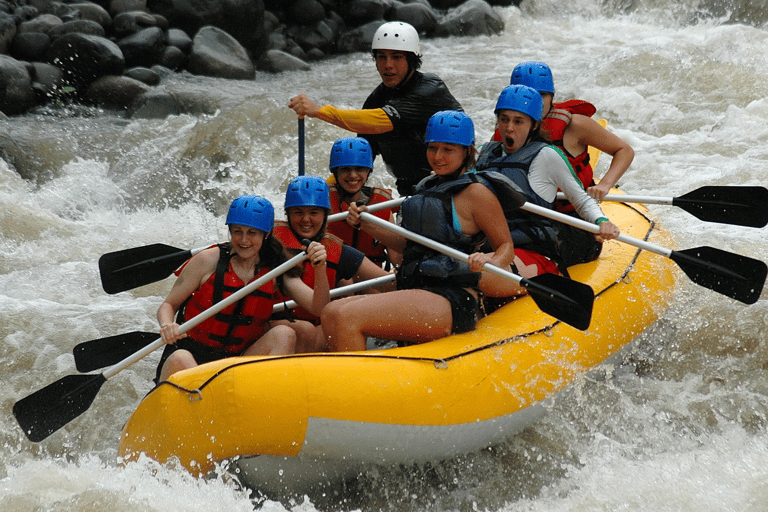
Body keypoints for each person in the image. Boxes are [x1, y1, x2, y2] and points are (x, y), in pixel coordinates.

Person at [321, 110, 525, 353]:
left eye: (448, 149)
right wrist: (366, 224)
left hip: (451, 297)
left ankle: (355, 388)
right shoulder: (425, 187)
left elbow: (506, 247)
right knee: (331, 311)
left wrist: (489, 259)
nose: (438, 156)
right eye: (432, 148)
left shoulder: (476, 194)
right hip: (416, 286)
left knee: (346, 317)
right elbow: (409, 246)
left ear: (466, 152)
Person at [155, 195, 330, 382]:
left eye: (252, 233)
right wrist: (167, 325)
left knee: (284, 334)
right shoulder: (208, 260)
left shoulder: (275, 269)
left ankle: (265, 396)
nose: (244, 240)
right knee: (179, 357)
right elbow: (168, 305)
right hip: (192, 357)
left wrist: (320, 268)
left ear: (266, 234)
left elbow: (318, 308)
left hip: (235, 363)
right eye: (238, 231)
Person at [288, 21, 462, 195]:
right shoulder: (375, 100)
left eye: (396, 57)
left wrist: (319, 111)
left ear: (411, 60)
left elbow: (382, 120)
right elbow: (360, 158)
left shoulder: (429, 88)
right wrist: (317, 194)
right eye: (381, 57)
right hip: (410, 190)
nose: (388, 65)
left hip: (453, 183)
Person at [477, 84, 621, 277]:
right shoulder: (484, 153)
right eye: (504, 120)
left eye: (518, 121)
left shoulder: (547, 156)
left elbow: (581, 199)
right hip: (491, 240)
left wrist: (601, 220)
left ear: (534, 125)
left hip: (533, 245)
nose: (509, 128)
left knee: (480, 274)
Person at [271, 176, 395, 348]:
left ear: (325, 214)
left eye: (314, 213)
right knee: (305, 329)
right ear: (288, 214)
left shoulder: (338, 250)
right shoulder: (270, 242)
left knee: (345, 316)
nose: (306, 220)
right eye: (298, 212)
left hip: (315, 328)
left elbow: (389, 284)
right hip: (273, 327)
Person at [499, 61, 634, 206]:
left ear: (552, 97)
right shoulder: (506, 127)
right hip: (526, 210)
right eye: (527, 97)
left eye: (541, 95)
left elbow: (624, 150)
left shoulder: (575, 125)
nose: (534, 103)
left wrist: (605, 184)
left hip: (573, 212)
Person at [325, 136, 402, 267]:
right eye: (345, 169)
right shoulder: (322, 201)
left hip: (371, 280)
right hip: (334, 276)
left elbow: (397, 259)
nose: (353, 175)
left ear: (368, 171)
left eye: (359, 169)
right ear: (335, 173)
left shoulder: (381, 204)